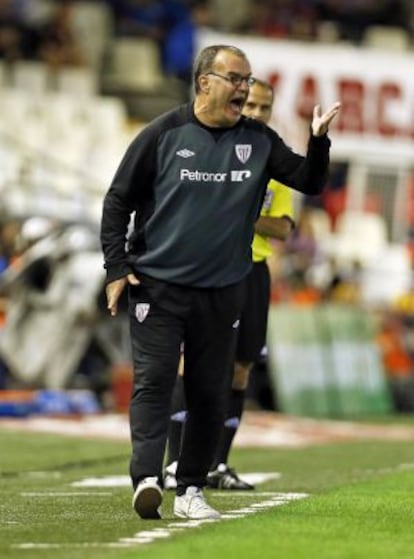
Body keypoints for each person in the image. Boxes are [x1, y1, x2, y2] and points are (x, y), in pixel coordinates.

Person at [100, 43, 340, 521]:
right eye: (235, 79)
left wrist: (318, 142)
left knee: (210, 391)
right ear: (204, 82)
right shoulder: (162, 134)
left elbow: (309, 183)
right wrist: (116, 267)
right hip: (158, 286)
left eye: (248, 80)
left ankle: (191, 489)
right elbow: (117, 201)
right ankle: (147, 477)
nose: (244, 88)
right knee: (155, 381)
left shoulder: (259, 140)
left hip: (224, 289)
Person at [164, 78, 295, 491]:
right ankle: (173, 464)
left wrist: (241, 211)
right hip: (209, 266)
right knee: (192, 362)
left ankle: (217, 465)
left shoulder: (275, 163)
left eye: (264, 108)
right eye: (250, 105)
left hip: (254, 270)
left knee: (240, 370)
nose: (256, 113)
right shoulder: (205, 148)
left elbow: (284, 228)